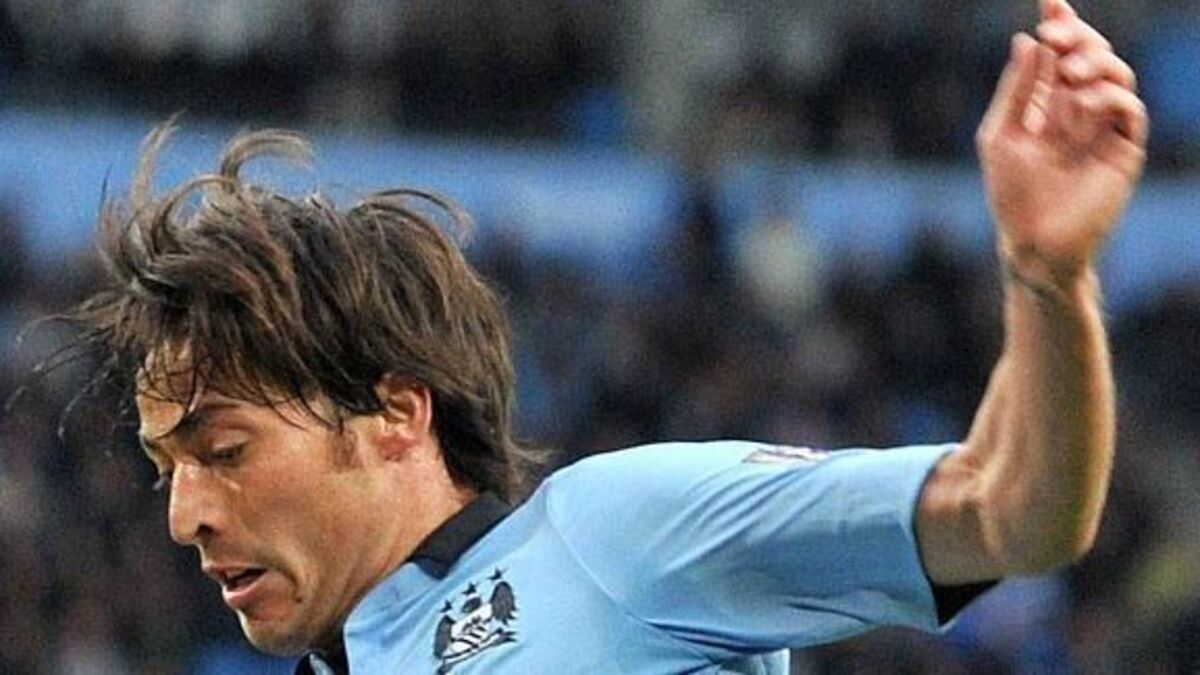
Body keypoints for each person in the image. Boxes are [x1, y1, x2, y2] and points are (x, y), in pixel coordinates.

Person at [54, 0, 1146, 672]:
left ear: (394, 414)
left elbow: (1011, 510)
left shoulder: (612, 534)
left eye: (224, 450)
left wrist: (1045, 274)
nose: (186, 516)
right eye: (166, 469)